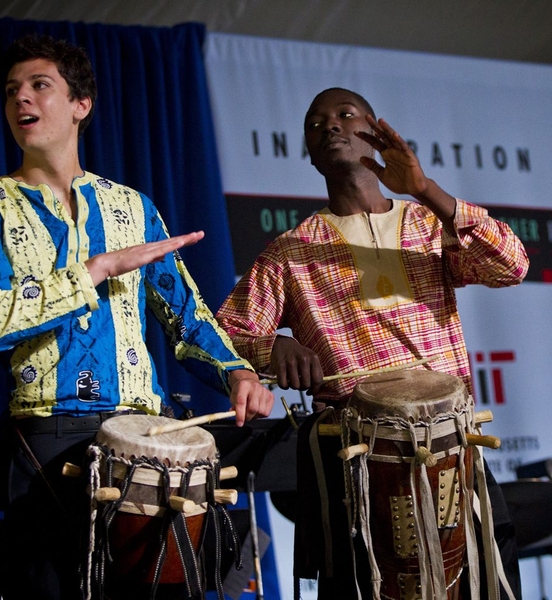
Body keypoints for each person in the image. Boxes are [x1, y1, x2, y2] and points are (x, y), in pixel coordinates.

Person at [0, 34, 274, 599]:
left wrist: (236, 372)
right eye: (12, 90)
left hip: (142, 438)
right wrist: (96, 270)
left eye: (40, 86)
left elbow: (187, 318)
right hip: (44, 436)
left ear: (80, 105)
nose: (23, 99)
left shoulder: (132, 208)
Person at [217, 87, 528, 599]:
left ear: (375, 133)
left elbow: (511, 264)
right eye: (315, 125)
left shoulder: (429, 223)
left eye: (344, 115)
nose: (330, 127)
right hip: (357, 458)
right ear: (310, 152)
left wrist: (426, 188)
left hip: (451, 445)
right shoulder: (290, 252)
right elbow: (228, 331)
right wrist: (273, 349)